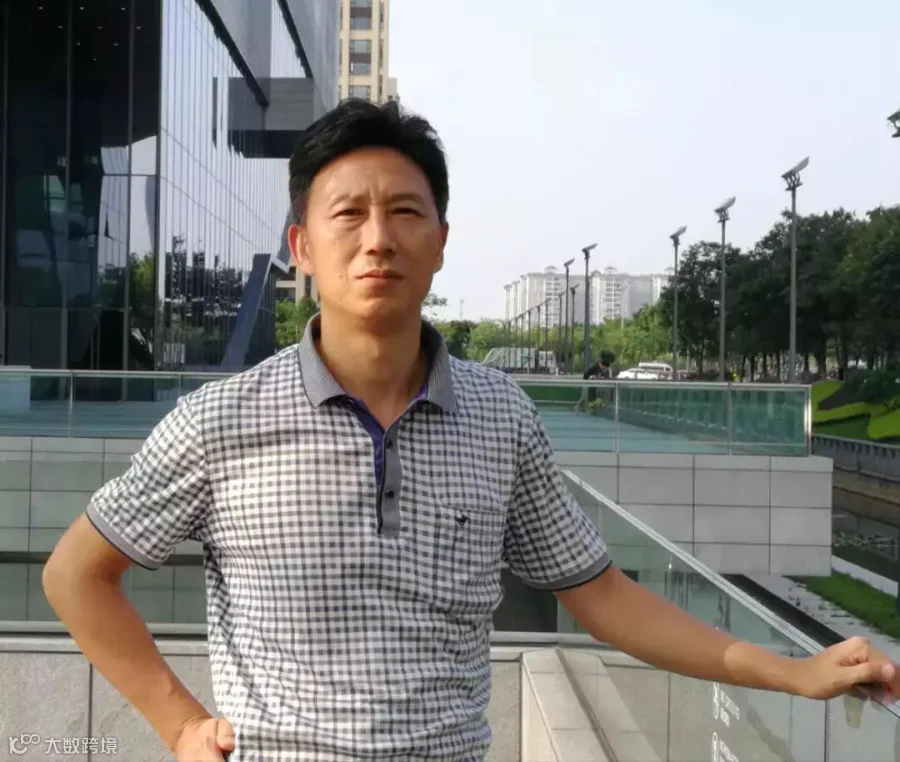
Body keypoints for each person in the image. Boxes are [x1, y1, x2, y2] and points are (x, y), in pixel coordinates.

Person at [43, 99, 897, 762]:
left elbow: (601, 595)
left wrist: (792, 671)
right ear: (301, 246)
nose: (378, 238)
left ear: (442, 241)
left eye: (404, 211)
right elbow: (76, 574)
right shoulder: (220, 420)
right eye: (348, 214)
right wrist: (179, 722)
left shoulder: (500, 417)